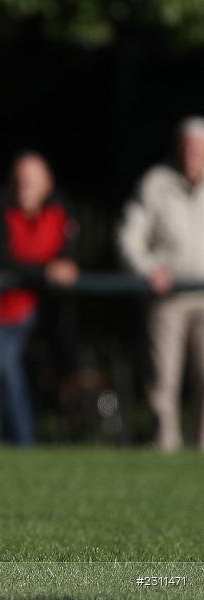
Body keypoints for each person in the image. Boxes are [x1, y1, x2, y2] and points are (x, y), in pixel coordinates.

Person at [117, 116, 204, 452]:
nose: (191, 155)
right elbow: (128, 235)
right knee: (163, 379)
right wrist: (147, 269)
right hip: (167, 298)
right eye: (186, 147)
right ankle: (163, 447)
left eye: (198, 149)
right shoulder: (155, 182)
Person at [0, 151, 79, 446]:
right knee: (5, 369)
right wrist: (45, 272)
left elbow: (70, 255)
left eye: (32, 180)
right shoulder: (1, 210)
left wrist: (65, 265)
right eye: (20, 180)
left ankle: (67, 437)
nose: (25, 185)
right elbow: (2, 259)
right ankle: (22, 441)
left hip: (51, 315)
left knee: (63, 368)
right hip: (8, 311)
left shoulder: (61, 211)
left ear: (47, 184)